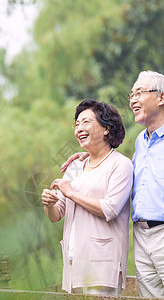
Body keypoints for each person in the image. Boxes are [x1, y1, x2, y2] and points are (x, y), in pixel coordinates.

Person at [60, 71, 164, 299]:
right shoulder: (142, 141)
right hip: (141, 238)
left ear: (161, 98)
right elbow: (112, 168)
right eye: (131, 94)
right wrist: (87, 155)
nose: (132, 99)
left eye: (139, 93)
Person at [42, 99, 133, 295]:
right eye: (76, 124)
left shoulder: (121, 165)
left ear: (107, 128)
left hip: (103, 263)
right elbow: (56, 215)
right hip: (74, 260)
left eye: (86, 122)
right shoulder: (74, 166)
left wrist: (71, 193)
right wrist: (49, 203)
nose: (79, 129)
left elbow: (110, 209)